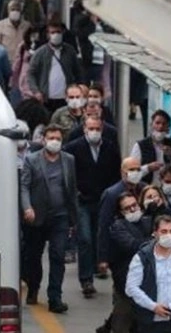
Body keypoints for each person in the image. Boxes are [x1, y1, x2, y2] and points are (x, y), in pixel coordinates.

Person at [21, 124, 78, 313]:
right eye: (51, 138)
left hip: (60, 217)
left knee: (57, 256)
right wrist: (27, 207)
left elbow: (71, 189)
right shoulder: (31, 160)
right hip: (36, 217)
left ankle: (55, 297)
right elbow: (24, 186)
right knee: (33, 256)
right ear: (44, 139)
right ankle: (33, 287)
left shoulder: (69, 160)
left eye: (58, 139)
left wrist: (73, 218)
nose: (55, 142)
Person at [63, 115, 122, 298]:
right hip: (82, 201)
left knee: (100, 235)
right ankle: (86, 279)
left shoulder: (110, 148)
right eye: (91, 128)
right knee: (85, 239)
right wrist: (74, 194)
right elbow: (68, 175)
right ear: (84, 129)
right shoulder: (73, 149)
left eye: (97, 128)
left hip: (103, 200)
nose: (94, 132)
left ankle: (99, 265)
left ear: (102, 129)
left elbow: (115, 174)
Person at [107, 192, 152, 333]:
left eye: (134, 205)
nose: (133, 209)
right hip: (125, 284)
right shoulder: (118, 227)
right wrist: (153, 241)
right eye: (127, 208)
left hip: (148, 284)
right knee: (122, 323)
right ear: (121, 212)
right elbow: (133, 246)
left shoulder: (147, 221)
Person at [98, 157, 147, 277]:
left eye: (138, 169)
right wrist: (103, 258)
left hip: (141, 245)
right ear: (122, 172)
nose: (135, 172)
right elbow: (104, 225)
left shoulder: (145, 189)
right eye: (131, 169)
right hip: (120, 250)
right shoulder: (112, 194)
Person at [26, 19, 84, 113]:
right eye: (52, 32)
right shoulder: (40, 53)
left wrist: (80, 89)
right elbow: (31, 73)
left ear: (63, 33)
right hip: (46, 99)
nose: (56, 35)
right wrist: (36, 91)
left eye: (58, 32)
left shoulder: (70, 51)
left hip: (66, 99)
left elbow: (78, 72)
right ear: (48, 34)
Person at [130, 109, 171, 185]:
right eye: (157, 123)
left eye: (164, 124)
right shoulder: (140, 145)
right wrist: (148, 168)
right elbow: (132, 175)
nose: (160, 126)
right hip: (147, 189)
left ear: (168, 128)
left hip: (169, 189)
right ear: (151, 125)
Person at [11, 26, 45, 105]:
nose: (34, 37)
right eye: (32, 35)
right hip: (25, 77)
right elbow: (17, 63)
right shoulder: (23, 46)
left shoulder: (44, 47)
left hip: (39, 77)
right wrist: (13, 81)